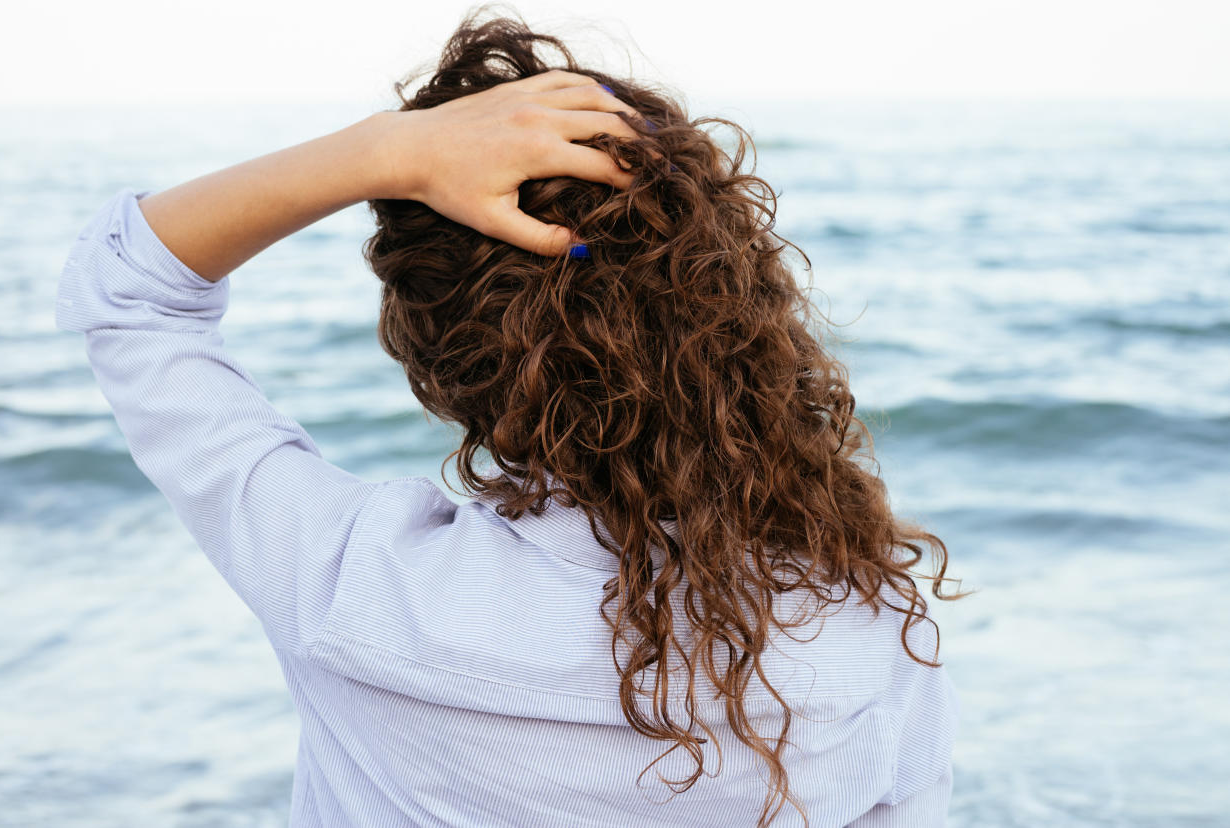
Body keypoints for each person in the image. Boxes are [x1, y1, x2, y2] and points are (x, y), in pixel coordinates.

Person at [55, 11, 962, 827]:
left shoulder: (353, 590)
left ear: (439, 362)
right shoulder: (870, 634)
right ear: (733, 302)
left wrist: (387, 150)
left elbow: (128, 290)